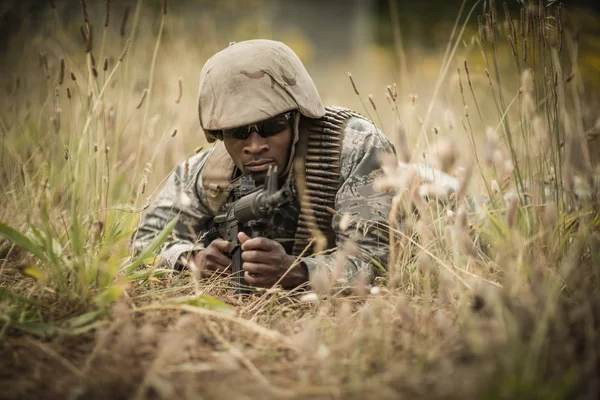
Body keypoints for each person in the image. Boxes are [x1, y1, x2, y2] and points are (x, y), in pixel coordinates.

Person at [131, 39, 397, 290]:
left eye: (272, 125)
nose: (255, 145)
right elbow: (144, 243)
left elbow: (376, 259)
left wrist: (298, 271)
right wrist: (192, 260)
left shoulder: (355, 148)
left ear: (298, 117)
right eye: (237, 131)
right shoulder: (211, 172)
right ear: (219, 133)